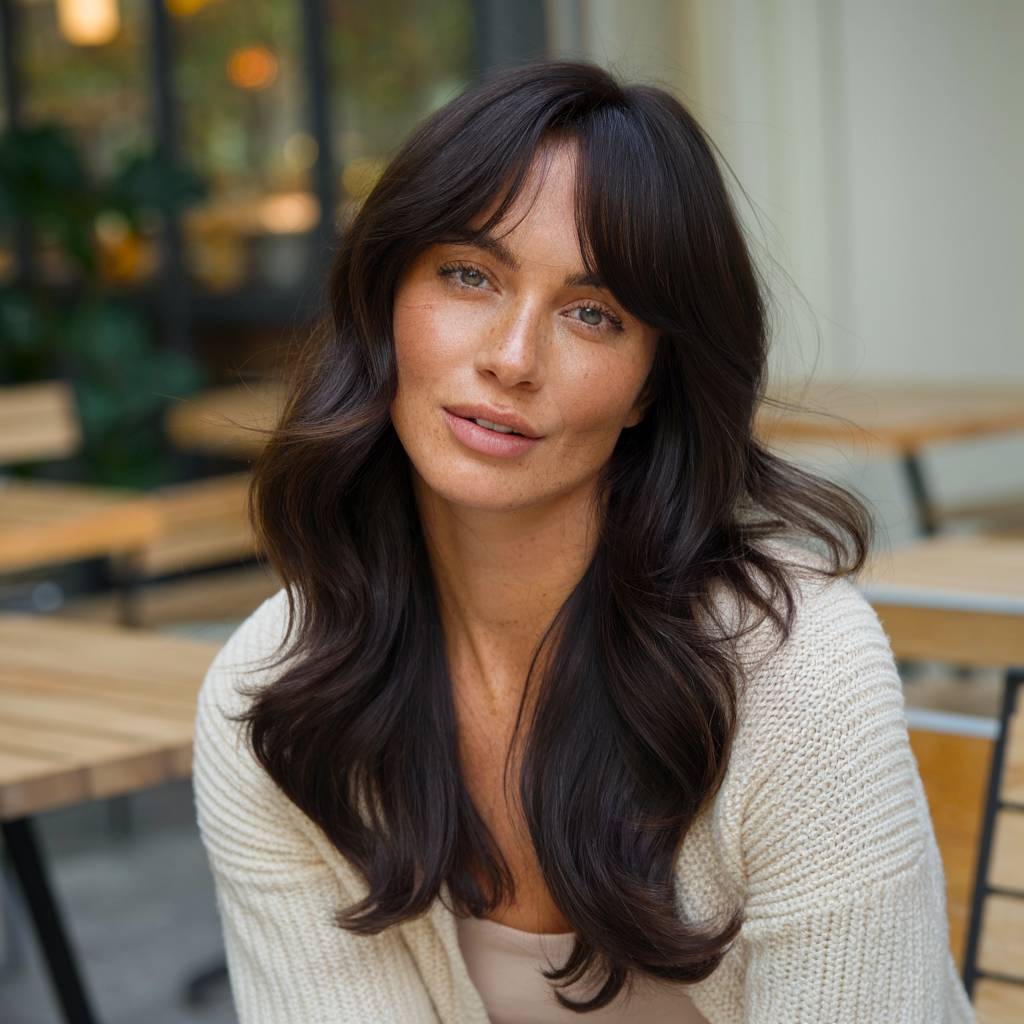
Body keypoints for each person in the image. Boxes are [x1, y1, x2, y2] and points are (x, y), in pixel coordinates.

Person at [192, 58, 976, 1023]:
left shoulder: (797, 671)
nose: (511, 358)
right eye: (469, 275)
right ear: (388, 300)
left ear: (653, 382)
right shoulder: (273, 701)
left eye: (591, 313)